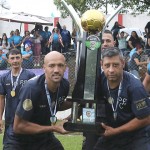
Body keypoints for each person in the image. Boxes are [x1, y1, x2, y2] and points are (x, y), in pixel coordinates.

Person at [13, 51, 72, 150]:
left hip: (44, 137)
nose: (56, 70)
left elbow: (56, 104)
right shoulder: (32, 89)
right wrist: (54, 128)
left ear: (65, 67)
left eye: (60, 65)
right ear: (44, 68)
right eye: (51, 66)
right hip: (22, 141)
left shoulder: (64, 85)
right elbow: (18, 126)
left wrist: (76, 104)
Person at [94, 47, 150, 150]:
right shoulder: (99, 80)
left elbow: (146, 118)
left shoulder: (135, 87)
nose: (111, 70)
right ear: (101, 65)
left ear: (123, 64)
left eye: (115, 65)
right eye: (107, 65)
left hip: (136, 135)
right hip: (111, 132)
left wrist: (117, 131)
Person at [0, 49, 35, 149]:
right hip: (10, 120)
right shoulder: (3, 77)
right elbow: (1, 99)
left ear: (22, 59)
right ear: (8, 61)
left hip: (26, 120)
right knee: (9, 146)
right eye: (12, 58)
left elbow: (35, 98)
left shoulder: (30, 76)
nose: (15, 61)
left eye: (17, 58)